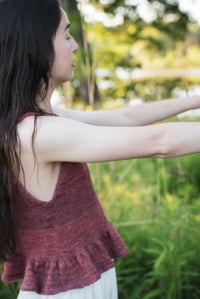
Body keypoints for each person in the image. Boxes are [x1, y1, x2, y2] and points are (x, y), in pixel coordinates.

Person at [1, 0, 200, 298]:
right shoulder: (38, 133)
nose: (76, 46)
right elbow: (160, 143)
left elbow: (126, 117)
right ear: (36, 47)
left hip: (82, 285)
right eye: (66, 35)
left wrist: (193, 100)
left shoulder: (43, 122)